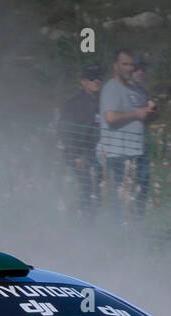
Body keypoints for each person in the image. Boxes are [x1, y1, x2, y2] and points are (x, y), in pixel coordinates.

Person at [99, 49, 156, 220]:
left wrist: (151, 112)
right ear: (115, 66)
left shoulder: (137, 90)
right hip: (119, 153)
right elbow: (110, 118)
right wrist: (136, 114)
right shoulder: (111, 87)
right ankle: (117, 237)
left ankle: (134, 234)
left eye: (131, 64)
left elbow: (144, 116)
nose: (129, 68)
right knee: (121, 197)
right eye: (124, 64)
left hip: (138, 151)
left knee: (139, 196)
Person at [58, 64, 103, 216]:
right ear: (83, 82)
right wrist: (75, 155)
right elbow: (65, 132)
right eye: (91, 78)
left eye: (99, 78)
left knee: (98, 191)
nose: (96, 81)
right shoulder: (73, 104)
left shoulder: (104, 103)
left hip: (99, 154)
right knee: (84, 190)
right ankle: (81, 220)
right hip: (81, 155)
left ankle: (92, 219)